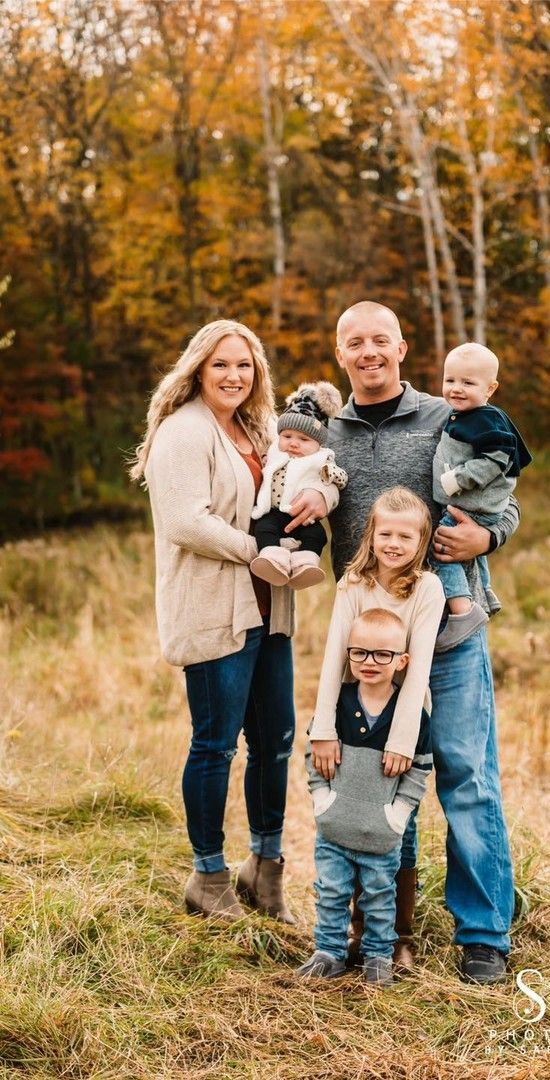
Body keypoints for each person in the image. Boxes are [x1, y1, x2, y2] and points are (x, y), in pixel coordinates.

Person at [306, 300, 518, 985]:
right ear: (340, 356)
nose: (368, 352)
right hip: (372, 643)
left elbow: (504, 494)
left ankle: (483, 933)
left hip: (451, 631)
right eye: (353, 343)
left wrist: (490, 536)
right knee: (378, 774)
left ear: (402, 347)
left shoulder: (446, 412)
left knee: (465, 775)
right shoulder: (325, 436)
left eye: (380, 341)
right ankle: (384, 930)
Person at [129, 320, 339, 922]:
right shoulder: (184, 431)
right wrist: (258, 553)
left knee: (274, 742)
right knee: (216, 745)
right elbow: (183, 522)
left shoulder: (258, 428)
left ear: (258, 373)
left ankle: (265, 869)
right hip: (216, 609)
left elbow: (312, 470)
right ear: (198, 368)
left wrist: (322, 495)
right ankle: (209, 874)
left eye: (244, 366)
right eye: (221, 365)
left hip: (270, 608)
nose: (233, 376)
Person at [308, 486, 442, 970]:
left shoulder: (428, 588)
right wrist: (323, 726)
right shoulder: (352, 585)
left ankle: (396, 936)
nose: (393, 543)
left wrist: (404, 738)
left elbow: (420, 668)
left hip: (402, 716)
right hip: (349, 714)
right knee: (350, 818)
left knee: (395, 823)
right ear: (371, 534)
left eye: (405, 536)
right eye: (385, 533)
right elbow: (331, 659)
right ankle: (350, 932)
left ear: (420, 541)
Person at [298, 607, 433, 985]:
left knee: (378, 896)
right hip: (335, 829)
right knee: (331, 892)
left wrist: (399, 814)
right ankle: (328, 952)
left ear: (402, 660)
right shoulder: (336, 705)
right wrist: (323, 800)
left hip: (381, 831)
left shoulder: (411, 714)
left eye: (383, 655)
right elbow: (313, 753)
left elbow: (421, 769)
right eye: (359, 652)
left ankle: (378, 957)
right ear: (348, 655)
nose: (370, 662)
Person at [432, 342, 531, 650]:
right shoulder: (462, 414)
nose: (456, 389)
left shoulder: (487, 419)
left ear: (490, 388)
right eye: (450, 381)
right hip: (470, 505)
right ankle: (485, 593)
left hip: (469, 506)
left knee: (440, 549)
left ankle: (462, 611)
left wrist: (458, 479)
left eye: (468, 383)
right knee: (470, 554)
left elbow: (499, 456)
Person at [250, 381, 347, 590]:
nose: (293, 443)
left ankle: (306, 564)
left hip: (302, 515)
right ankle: (273, 560)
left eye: (303, 439)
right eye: (287, 436)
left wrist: (330, 476)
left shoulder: (322, 458)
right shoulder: (275, 451)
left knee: (317, 535)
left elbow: (340, 478)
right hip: (274, 511)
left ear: (318, 444)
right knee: (264, 528)